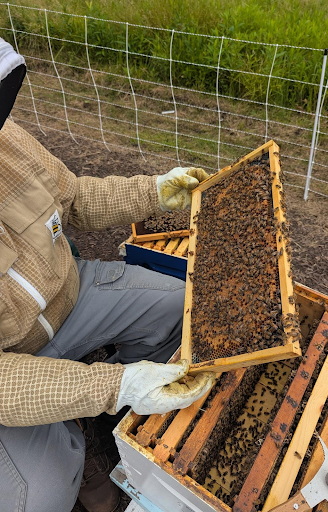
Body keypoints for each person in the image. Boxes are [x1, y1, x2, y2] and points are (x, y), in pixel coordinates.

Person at [0, 38, 215, 512]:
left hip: (72, 297)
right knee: (39, 497)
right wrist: (111, 386)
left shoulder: (6, 138)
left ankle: (108, 411)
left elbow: (72, 197)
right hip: (6, 365)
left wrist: (155, 192)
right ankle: (74, 433)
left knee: (180, 312)